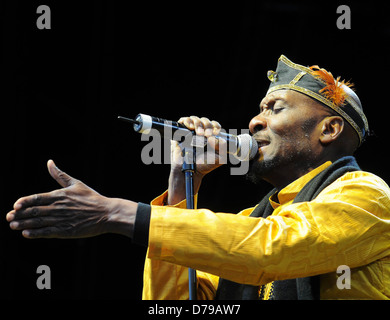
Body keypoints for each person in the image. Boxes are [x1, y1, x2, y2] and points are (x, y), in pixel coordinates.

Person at [6, 55, 390, 300]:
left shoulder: (366, 196)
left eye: (275, 108)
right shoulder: (251, 222)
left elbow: (276, 250)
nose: (255, 120)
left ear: (329, 129)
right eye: (259, 108)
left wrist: (117, 213)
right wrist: (181, 183)